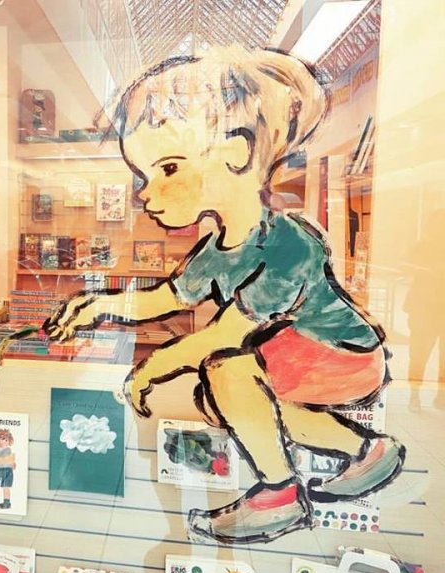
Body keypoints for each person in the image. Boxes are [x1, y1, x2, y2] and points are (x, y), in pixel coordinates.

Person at [44, 46, 404, 544]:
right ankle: (367, 452)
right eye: (144, 175)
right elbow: (166, 298)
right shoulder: (216, 249)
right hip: (295, 351)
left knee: (226, 370)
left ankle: (279, 496)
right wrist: (100, 305)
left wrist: (151, 368)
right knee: (224, 400)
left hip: (342, 353)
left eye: (168, 168)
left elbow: (222, 337)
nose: (146, 192)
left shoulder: (286, 244)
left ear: (235, 153)